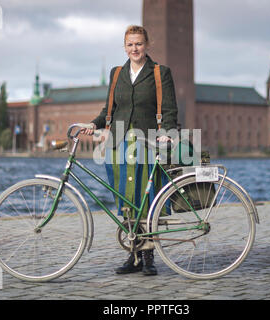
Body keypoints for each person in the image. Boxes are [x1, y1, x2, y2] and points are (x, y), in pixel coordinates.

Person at [82, 25, 178, 276]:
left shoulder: (160, 73)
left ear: (147, 44)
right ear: (124, 47)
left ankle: (148, 257)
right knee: (126, 201)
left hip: (147, 142)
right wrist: (94, 124)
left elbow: (169, 110)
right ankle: (133, 255)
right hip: (118, 146)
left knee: (145, 200)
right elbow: (108, 111)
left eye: (138, 44)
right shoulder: (117, 74)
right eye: (129, 44)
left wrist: (168, 131)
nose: (134, 49)